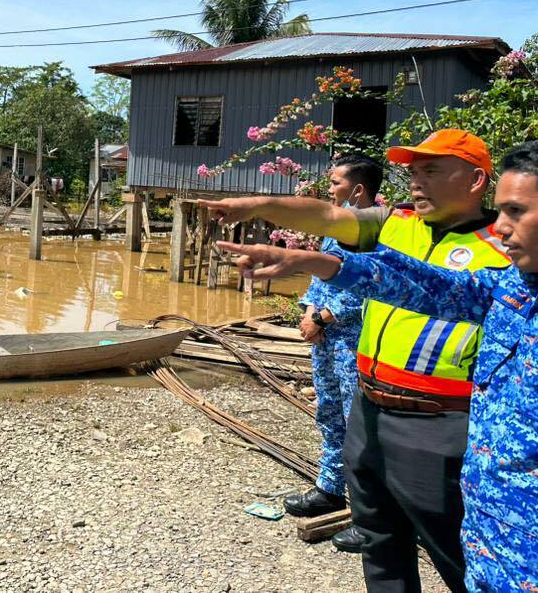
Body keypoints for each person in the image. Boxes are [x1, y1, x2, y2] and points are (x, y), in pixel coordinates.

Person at [216, 139, 538, 593]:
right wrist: (308, 253)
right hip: (372, 408)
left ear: (474, 180)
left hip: (440, 421)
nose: (416, 181)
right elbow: (425, 284)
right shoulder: (502, 282)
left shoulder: (499, 255)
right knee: (381, 546)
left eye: (430, 171)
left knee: (452, 555)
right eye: (414, 172)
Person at [284, 154, 383, 557]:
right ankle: (330, 487)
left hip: (352, 342)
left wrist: (323, 318)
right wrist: (309, 312)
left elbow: (371, 289)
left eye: (336, 181)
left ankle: (369, 515)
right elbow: (318, 276)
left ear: (358, 189)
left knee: (358, 425)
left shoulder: (375, 232)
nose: (329, 187)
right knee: (328, 412)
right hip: (325, 340)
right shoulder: (335, 225)